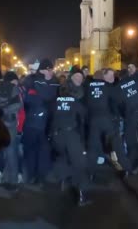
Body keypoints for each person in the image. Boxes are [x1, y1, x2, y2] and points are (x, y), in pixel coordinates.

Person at [50, 74, 90, 206]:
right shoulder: (74, 102)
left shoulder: (55, 101)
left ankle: (63, 182)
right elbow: (84, 114)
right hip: (70, 134)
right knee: (80, 163)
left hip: (57, 136)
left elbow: (51, 118)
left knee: (62, 158)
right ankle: (82, 195)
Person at [86, 68, 131, 177]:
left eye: (113, 76)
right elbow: (118, 102)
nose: (112, 78)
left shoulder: (87, 87)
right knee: (117, 146)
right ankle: (126, 168)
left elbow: (85, 104)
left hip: (93, 121)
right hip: (108, 121)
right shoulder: (109, 87)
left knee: (93, 147)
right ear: (103, 77)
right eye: (109, 76)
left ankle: (89, 173)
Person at [22, 59, 60, 185]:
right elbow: (29, 99)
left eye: (51, 70)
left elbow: (54, 99)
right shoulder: (33, 80)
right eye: (49, 69)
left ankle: (39, 175)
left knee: (42, 150)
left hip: (45, 122)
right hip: (33, 122)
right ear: (44, 69)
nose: (51, 72)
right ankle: (33, 175)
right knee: (33, 150)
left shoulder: (53, 82)